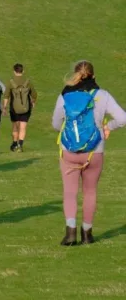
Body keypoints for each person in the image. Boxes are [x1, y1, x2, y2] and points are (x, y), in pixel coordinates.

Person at [52, 60, 126, 246]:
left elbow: (55, 123)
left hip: (69, 150)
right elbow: (123, 118)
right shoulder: (102, 95)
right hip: (95, 151)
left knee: (70, 192)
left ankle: (70, 233)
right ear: (93, 75)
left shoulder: (65, 95)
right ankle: (87, 233)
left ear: (75, 75)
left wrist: (71, 132)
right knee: (90, 191)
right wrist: (107, 127)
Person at [4, 63, 38, 152]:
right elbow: (34, 94)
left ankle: (15, 143)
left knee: (15, 126)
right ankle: (20, 145)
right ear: (23, 71)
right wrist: (33, 102)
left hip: (14, 108)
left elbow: (6, 96)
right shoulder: (27, 81)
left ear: (14, 71)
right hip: (26, 108)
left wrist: (4, 107)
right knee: (23, 127)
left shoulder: (11, 82)